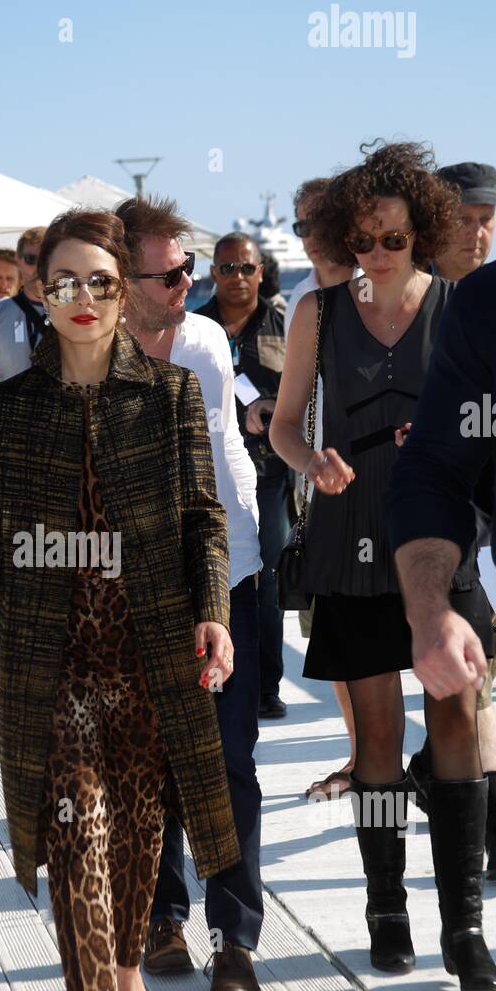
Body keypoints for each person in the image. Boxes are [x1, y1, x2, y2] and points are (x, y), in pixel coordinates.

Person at [0, 209, 239, 991]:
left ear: (125, 292)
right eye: (63, 281)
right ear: (39, 291)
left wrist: (215, 614)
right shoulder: (10, 409)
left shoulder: (167, 395)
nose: (80, 299)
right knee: (75, 831)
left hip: (150, 657)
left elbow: (203, 517)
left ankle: (122, 976)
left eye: (100, 282)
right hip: (54, 661)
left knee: (137, 842)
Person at [269, 140, 496, 991]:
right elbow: (284, 423)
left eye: (392, 241)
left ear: (421, 235)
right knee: (373, 740)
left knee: (453, 731)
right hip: (349, 540)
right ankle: (384, 908)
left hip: (438, 542)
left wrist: (456, 439)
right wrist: (309, 459)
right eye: (360, 241)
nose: (374, 257)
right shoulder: (315, 315)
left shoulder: (460, 308)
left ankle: (464, 926)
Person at [116, 195, 264, 991]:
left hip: (224, 572)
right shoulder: (89, 351)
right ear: (123, 278)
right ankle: (159, 916)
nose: (186, 282)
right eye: (170, 273)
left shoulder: (206, 340)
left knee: (229, 761)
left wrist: (252, 549)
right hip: (132, 586)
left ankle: (234, 938)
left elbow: (228, 446)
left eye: (189, 269)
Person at [387, 256, 496, 991]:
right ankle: (456, 927)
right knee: (450, 720)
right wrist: (428, 607)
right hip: (376, 551)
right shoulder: (488, 307)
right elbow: (434, 465)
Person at [402, 160, 496, 879]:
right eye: (463, 218)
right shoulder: (409, 301)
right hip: (434, 525)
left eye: (486, 217)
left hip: (482, 525)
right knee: (471, 678)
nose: (478, 231)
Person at [288, 178, 365, 800]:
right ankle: (364, 758)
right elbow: (294, 413)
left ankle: (475, 793)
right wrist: (309, 467)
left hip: (406, 492)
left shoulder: (399, 291)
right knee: (337, 637)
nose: (307, 237)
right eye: (298, 226)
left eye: (316, 223)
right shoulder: (303, 301)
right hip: (325, 494)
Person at [195, 233, 288, 719]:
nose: (237, 277)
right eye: (227, 268)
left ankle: (265, 685)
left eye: (246, 268)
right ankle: (209, 674)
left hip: (270, 473)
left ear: (260, 272)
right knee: (211, 574)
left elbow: (304, 395)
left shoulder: (286, 326)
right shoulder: (192, 329)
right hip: (207, 474)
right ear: (213, 273)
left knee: (265, 575)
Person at [0, 225, 48, 379]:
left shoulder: (72, 312)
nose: (38, 268)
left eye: (45, 260)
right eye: (30, 259)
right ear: (18, 262)